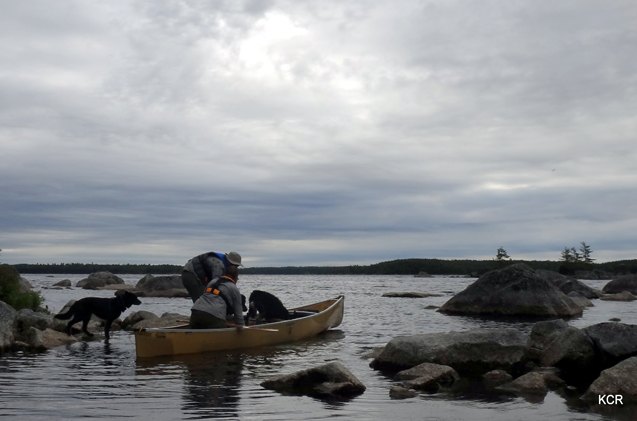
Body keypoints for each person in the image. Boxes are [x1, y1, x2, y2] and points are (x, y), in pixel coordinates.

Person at [190, 265, 244, 330]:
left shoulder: (212, 281)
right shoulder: (234, 288)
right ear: (235, 277)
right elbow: (238, 314)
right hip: (214, 317)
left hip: (196, 311)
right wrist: (241, 326)